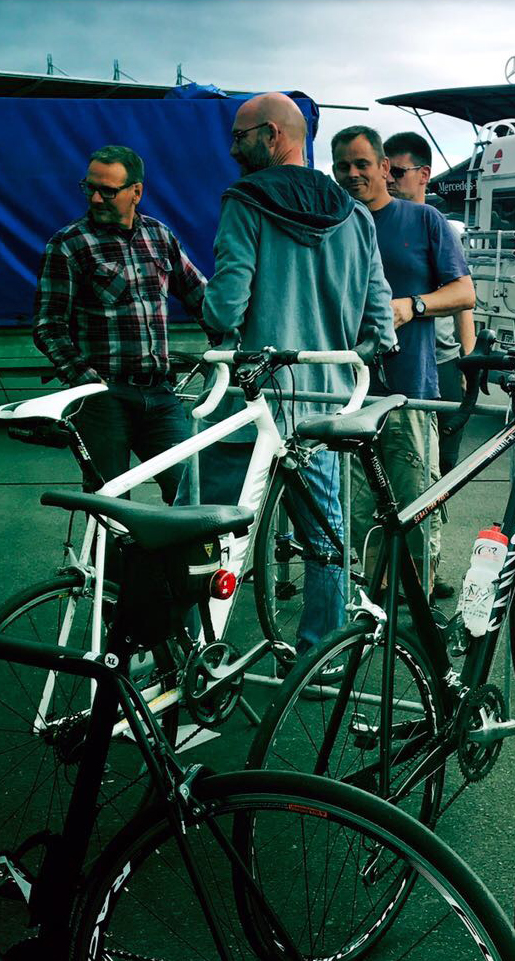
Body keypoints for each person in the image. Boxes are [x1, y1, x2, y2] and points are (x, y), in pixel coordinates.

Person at [199, 93, 394, 654]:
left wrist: (215, 318)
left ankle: (198, 652)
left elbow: (226, 307)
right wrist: (344, 355)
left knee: (211, 531)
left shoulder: (246, 202)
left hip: (252, 404)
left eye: (240, 136)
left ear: (274, 135)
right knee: (325, 539)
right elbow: (381, 323)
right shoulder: (355, 213)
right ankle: (318, 656)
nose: (232, 149)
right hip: (325, 405)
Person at [331, 125, 474, 594]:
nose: (352, 174)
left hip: (408, 390)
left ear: (384, 168)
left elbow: (464, 293)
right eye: (343, 166)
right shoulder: (333, 223)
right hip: (345, 393)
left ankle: (417, 606)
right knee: (359, 512)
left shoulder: (423, 219)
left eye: (362, 164)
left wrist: (412, 306)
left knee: (415, 504)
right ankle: (376, 602)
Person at [33, 144, 207, 501]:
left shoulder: (159, 236)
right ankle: (112, 541)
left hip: (160, 395)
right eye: (89, 188)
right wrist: (85, 379)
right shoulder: (69, 244)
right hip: (103, 399)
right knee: (110, 507)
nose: (96, 199)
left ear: (136, 192)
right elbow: (48, 326)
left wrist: (232, 345)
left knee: (190, 494)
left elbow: (201, 299)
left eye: (108, 191)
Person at [383, 130, 477, 601]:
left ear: (423, 174)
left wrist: (469, 359)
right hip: (405, 363)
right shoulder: (380, 222)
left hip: (439, 363)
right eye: (386, 169)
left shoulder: (438, 224)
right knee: (397, 470)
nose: (389, 179)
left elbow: (463, 299)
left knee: (437, 468)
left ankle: (427, 567)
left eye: (397, 171)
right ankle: (395, 570)